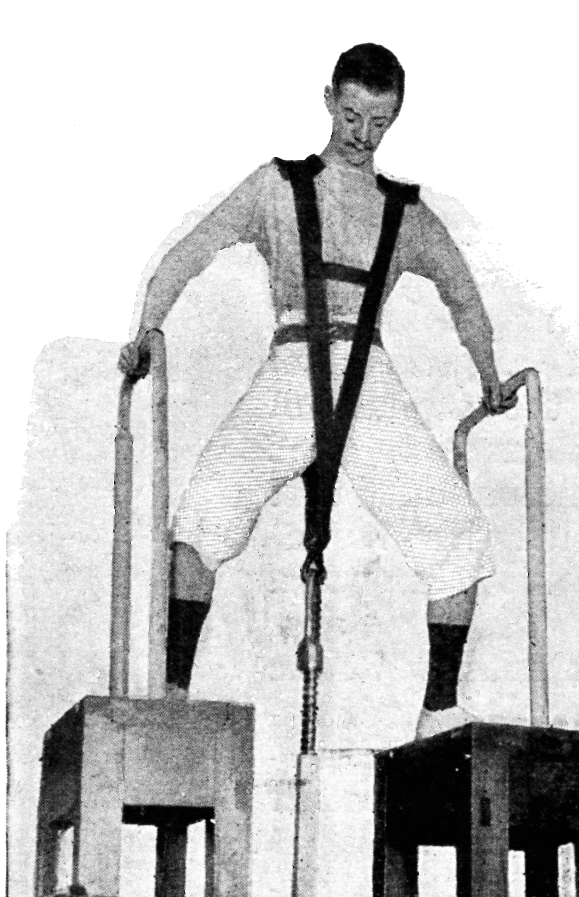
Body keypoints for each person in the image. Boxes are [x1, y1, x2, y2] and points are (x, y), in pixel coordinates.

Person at [119, 43, 515, 739]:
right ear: (329, 99)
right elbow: (186, 253)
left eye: (380, 122)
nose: (363, 135)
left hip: (368, 379)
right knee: (202, 516)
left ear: (397, 118)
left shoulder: (407, 212)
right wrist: (146, 330)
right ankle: (173, 695)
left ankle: (438, 714)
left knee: (458, 537)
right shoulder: (276, 185)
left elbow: (464, 296)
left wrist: (488, 374)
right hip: (292, 367)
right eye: (352, 114)